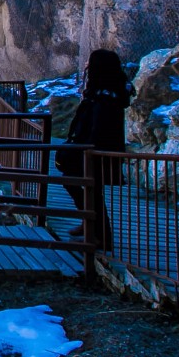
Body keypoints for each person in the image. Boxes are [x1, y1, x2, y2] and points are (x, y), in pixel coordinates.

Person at [56, 49, 133, 240]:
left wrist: (82, 148)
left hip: (96, 153)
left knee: (88, 188)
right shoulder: (104, 93)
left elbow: (98, 130)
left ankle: (100, 234)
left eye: (90, 63)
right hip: (92, 152)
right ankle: (92, 225)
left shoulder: (106, 98)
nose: (86, 66)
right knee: (89, 190)